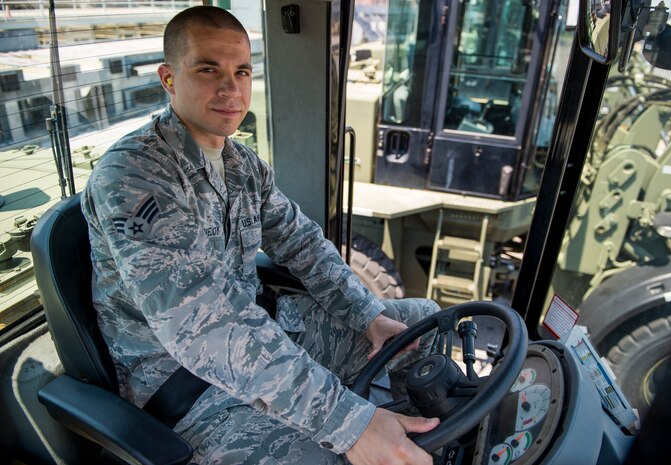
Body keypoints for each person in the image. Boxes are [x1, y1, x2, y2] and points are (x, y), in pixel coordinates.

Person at [81, 6, 441, 465]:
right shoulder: (135, 176)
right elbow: (205, 327)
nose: (230, 88)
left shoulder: (241, 164)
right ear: (169, 79)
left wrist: (368, 315)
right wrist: (349, 423)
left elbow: (302, 244)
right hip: (188, 388)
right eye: (209, 69)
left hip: (269, 334)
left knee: (422, 326)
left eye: (242, 71)